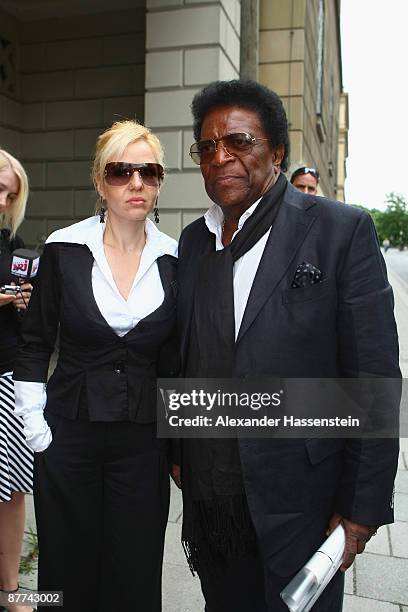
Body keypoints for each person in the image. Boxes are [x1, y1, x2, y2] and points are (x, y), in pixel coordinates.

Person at [176, 80, 400, 612]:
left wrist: (361, 507)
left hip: (303, 504)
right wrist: (180, 447)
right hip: (213, 507)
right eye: (207, 147)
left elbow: (372, 378)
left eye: (238, 142)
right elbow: (185, 354)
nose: (221, 156)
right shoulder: (193, 242)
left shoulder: (340, 231)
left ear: (275, 152)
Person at [13, 120, 178, 612]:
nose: (135, 183)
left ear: (159, 181)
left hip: (143, 440)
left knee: (137, 565)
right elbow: (34, 341)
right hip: (70, 435)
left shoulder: (177, 257)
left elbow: (177, 356)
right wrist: (35, 425)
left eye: (148, 172)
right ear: (99, 180)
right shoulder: (64, 248)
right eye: (121, 171)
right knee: (64, 566)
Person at [0, 149, 34, 612]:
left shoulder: (15, 244)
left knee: (12, 490)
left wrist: (28, 303)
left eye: (10, 192)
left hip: (8, 378)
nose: (3, 199)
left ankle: (9, 589)